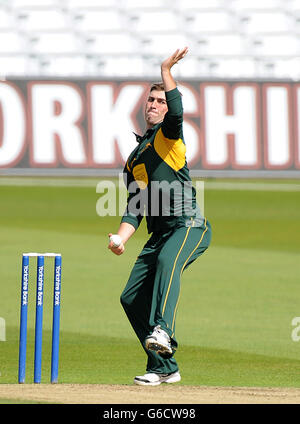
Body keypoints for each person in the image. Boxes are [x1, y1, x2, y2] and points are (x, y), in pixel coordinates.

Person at [108, 47, 212, 386]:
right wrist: (121, 237)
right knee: (131, 297)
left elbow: (178, 110)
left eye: (160, 100)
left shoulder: (170, 136)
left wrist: (166, 70)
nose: (155, 104)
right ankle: (164, 368)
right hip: (159, 234)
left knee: (169, 261)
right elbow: (136, 206)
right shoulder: (136, 158)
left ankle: (164, 332)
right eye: (151, 100)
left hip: (189, 226)